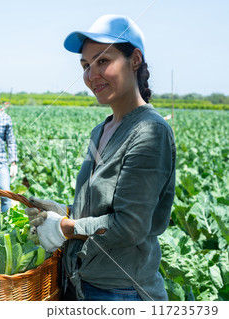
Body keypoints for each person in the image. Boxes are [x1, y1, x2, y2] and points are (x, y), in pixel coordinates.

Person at [26, 14, 176, 301]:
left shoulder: (149, 131)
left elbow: (129, 226)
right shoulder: (101, 130)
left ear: (134, 60)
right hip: (81, 280)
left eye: (102, 61)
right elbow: (102, 207)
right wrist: (64, 212)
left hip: (120, 291)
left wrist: (65, 229)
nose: (91, 74)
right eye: (86, 65)